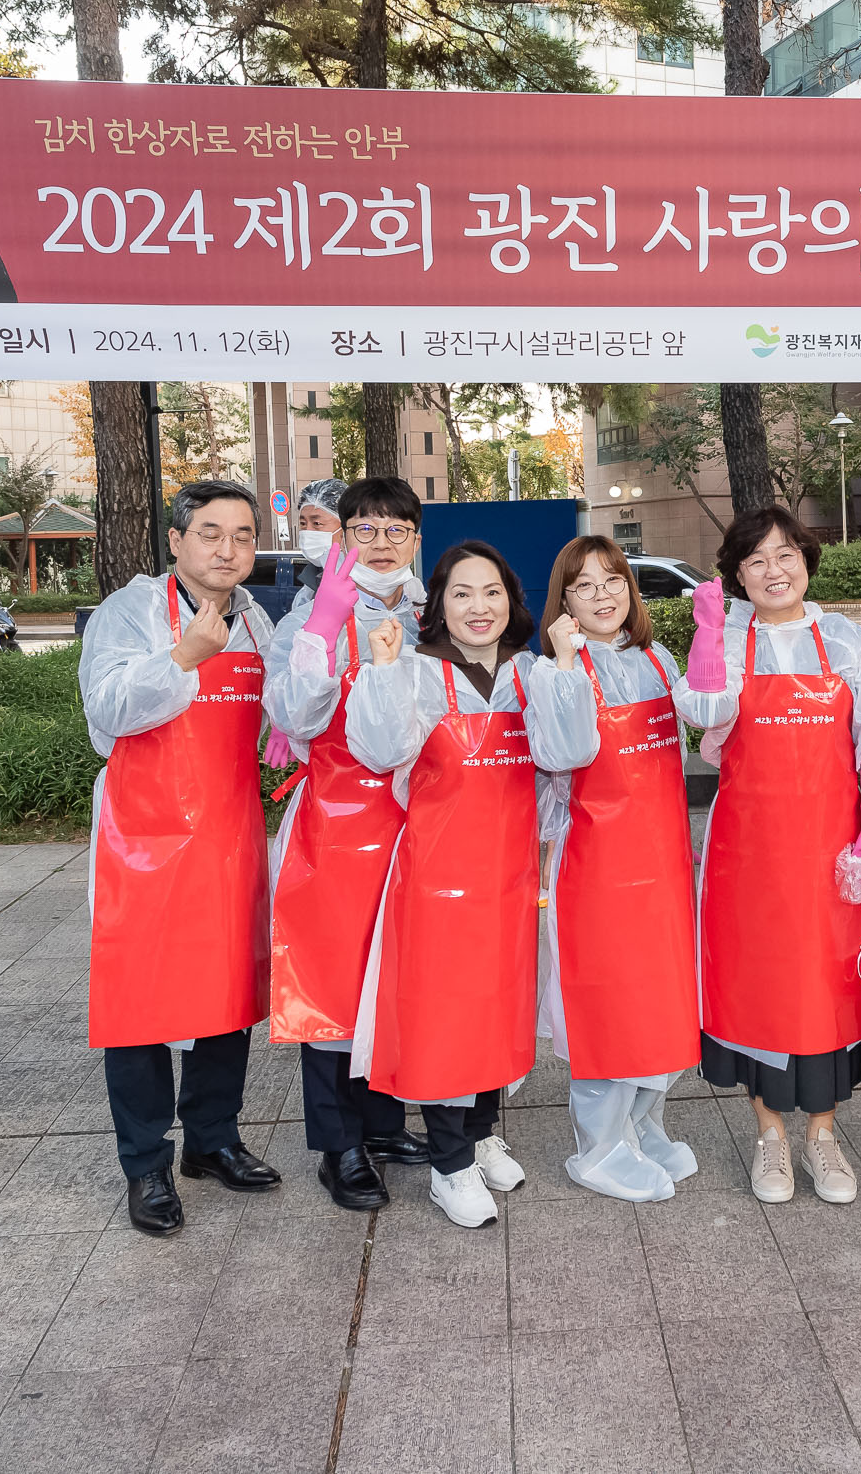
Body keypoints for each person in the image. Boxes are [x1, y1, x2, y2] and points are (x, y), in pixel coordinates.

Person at [80, 479, 283, 1236]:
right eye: (209, 533)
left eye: (241, 534)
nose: (227, 549)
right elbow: (106, 713)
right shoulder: (130, 612)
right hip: (145, 840)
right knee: (138, 1008)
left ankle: (212, 1138)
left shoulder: (259, 620)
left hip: (228, 835)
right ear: (175, 540)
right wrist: (184, 657)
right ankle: (146, 1165)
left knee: (225, 997)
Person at [680, 505, 861, 1206]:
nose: (774, 570)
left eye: (786, 555)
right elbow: (706, 713)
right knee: (759, 988)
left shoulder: (845, 641)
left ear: (806, 560)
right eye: (756, 560)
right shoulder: (727, 637)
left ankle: (823, 1136)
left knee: (827, 990)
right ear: (736, 575)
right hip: (750, 855)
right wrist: (709, 638)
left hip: (834, 857)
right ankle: (770, 1134)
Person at [345, 540, 546, 1228]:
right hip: (438, 875)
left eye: (490, 591)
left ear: (510, 599)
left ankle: (485, 1128)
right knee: (444, 1016)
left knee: (499, 1002)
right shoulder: (420, 673)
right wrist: (380, 667)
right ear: (439, 605)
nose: (478, 606)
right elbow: (376, 747)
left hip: (510, 874)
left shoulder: (529, 673)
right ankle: (449, 1162)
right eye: (461, 593)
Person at [262, 476, 433, 1211]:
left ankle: (385, 1120)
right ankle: (339, 1145)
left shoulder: (439, 612)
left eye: (398, 529)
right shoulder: (314, 612)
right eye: (367, 529)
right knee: (333, 978)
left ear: (417, 538)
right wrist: (321, 627)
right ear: (343, 538)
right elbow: (295, 715)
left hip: (420, 821)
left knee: (397, 972)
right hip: (335, 818)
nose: (384, 543)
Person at [525, 537, 701, 1202]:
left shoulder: (657, 658)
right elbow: (565, 754)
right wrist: (568, 661)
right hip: (594, 864)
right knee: (606, 1003)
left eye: (614, 581)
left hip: (660, 862)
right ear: (563, 601)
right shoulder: (554, 672)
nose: (603, 595)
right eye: (584, 585)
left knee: (660, 997)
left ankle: (642, 1123)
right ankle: (599, 1147)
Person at [285, 477, 347, 596]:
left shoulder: (366, 585)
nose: (307, 531)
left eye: (317, 524)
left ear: (345, 528)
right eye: (303, 524)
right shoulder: (309, 588)